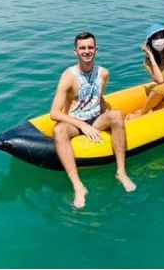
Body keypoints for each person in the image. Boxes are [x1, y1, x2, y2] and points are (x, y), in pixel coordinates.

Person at [49, 31, 136, 209]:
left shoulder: (103, 74)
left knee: (117, 114)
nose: (86, 51)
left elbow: (98, 97)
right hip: (75, 122)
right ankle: (78, 186)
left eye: (90, 47)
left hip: (95, 119)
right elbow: (54, 113)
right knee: (59, 130)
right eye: (82, 48)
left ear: (96, 50)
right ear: (75, 51)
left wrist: (112, 119)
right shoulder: (69, 77)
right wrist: (82, 125)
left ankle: (121, 172)